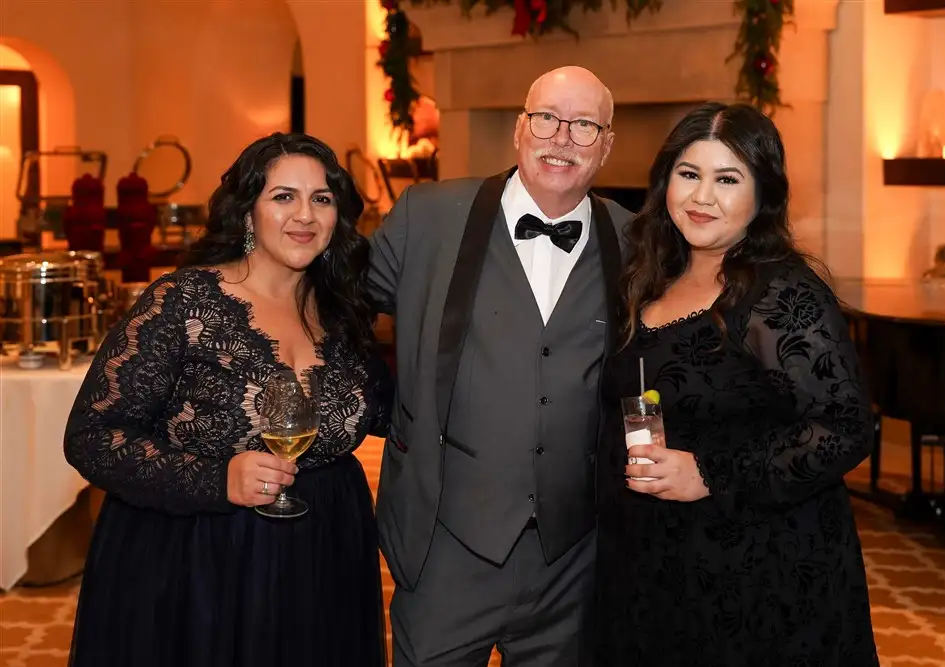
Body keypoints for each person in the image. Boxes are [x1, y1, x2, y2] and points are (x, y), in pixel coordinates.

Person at [64, 133, 391, 667]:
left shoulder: (343, 310)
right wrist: (218, 480)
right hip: (200, 561)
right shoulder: (185, 302)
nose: (305, 215)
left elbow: (384, 412)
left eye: (322, 199)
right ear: (247, 212)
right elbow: (93, 438)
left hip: (323, 552)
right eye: (283, 196)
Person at [595, 102, 879, 665]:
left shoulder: (783, 294)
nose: (702, 197)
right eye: (689, 173)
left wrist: (711, 473)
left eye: (727, 179)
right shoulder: (647, 274)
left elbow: (846, 428)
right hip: (654, 563)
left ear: (762, 193)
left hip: (759, 578)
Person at [368, 66, 631, 666]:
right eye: (547, 118)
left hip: (573, 561)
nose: (561, 138)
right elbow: (335, 309)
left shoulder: (635, 239)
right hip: (444, 548)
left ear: (606, 145)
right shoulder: (426, 216)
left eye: (584, 125)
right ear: (519, 128)